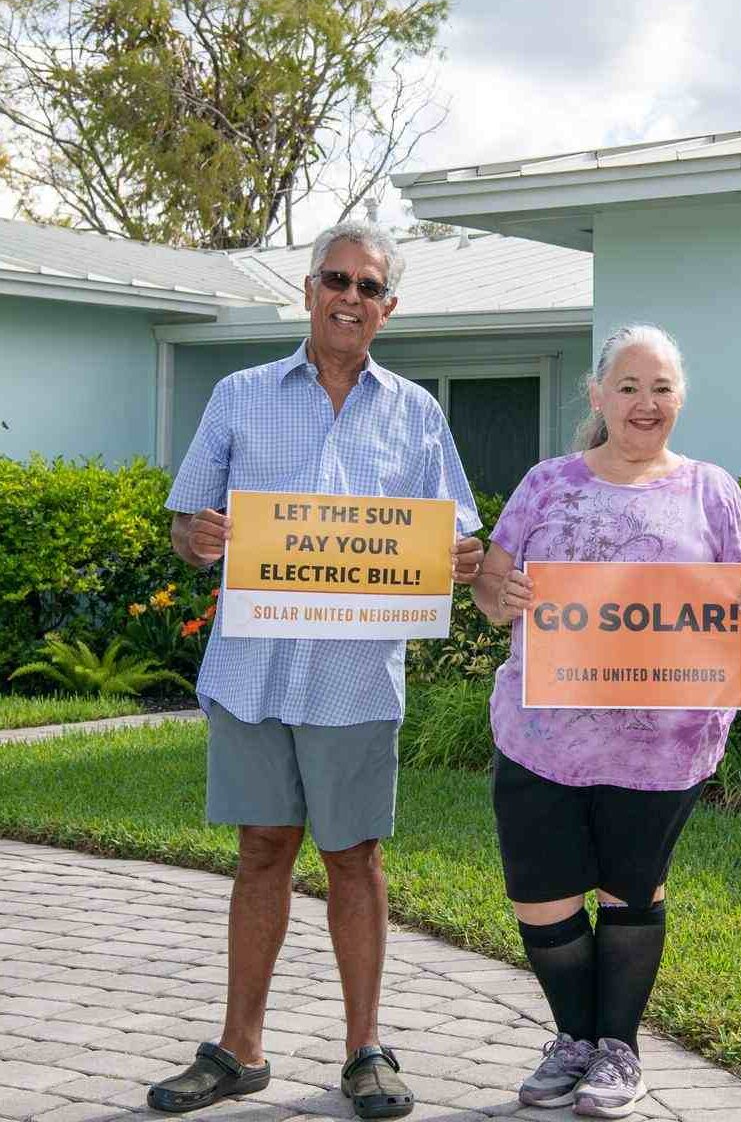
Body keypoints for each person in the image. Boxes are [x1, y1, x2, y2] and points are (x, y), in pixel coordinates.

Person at [146, 221, 483, 1120]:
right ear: (307, 290)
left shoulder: (417, 412)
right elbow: (186, 527)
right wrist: (200, 536)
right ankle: (238, 1050)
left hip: (355, 676)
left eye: (369, 287)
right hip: (253, 670)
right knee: (261, 851)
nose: (350, 298)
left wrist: (456, 557)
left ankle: (366, 1051)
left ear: (388, 308)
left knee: (354, 856)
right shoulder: (239, 394)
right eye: (337, 279)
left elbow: (458, 536)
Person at [471, 324, 741, 1118]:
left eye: (661, 387)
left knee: (632, 890)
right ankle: (575, 1040)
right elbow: (490, 589)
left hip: (661, 745)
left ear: (681, 400)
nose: (645, 403)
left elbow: (739, 614)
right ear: (597, 396)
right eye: (628, 387)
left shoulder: (712, 491)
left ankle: (617, 1051)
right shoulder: (546, 484)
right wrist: (506, 597)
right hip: (542, 736)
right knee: (542, 896)